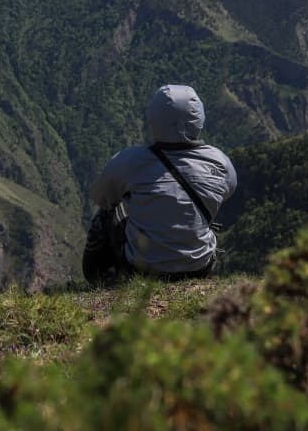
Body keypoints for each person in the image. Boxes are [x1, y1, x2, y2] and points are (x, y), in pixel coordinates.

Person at [82, 84, 237, 283]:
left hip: (141, 269)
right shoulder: (220, 162)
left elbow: (100, 197)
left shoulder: (128, 161)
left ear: (154, 119)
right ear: (199, 119)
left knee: (107, 211)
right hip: (199, 267)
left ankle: (101, 277)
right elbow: (228, 191)